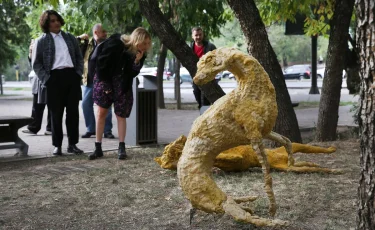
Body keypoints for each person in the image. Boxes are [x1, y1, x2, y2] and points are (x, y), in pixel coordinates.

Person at [88, 27, 151, 160]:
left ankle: (121, 147)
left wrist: (137, 61)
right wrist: (105, 85)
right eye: (144, 43)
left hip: (122, 85)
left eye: (148, 44)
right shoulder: (117, 43)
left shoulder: (140, 53)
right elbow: (101, 64)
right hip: (105, 80)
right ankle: (98, 147)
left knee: (121, 115)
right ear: (136, 40)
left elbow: (132, 73)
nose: (146, 47)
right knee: (101, 113)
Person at [33, 10, 84, 156]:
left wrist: (78, 74)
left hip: (71, 77)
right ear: (46, 24)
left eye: (57, 20)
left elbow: (79, 58)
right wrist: (47, 80)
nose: (56, 23)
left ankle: (73, 144)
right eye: (52, 21)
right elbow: (36, 64)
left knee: (73, 113)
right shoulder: (42, 41)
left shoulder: (70, 38)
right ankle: (57, 145)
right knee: (56, 114)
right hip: (53, 79)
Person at [77, 24, 115, 139]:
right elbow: (73, 46)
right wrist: (79, 38)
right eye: (103, 32)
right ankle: (91, 129)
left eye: (105, 31)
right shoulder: (86, 45)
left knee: (106, 106)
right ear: (96, 33)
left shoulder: (109, 45)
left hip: (104, 80)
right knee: (85, 104)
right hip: (89, 80)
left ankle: (107, 130)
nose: (105, 34)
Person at [22, 38, 52, 135]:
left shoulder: (45, 53)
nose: (32, 46)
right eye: (31, 45)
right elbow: (32, 65)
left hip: (47, 80)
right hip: (37, 82)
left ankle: (50, 128)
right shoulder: (32, 55)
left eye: (33, 44)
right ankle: (33, 128)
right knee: (36, 106)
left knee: (51, 106)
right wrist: (30, 53)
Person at [189, 27, 216, 109]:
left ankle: (204, 114)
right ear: (192, 36)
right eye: (196, 35)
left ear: (203, 35)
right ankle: (202, 113)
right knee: (197, 94)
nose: (198, 37)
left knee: (206, 99)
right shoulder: (189, 48)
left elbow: (216, 59)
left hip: (207, 77)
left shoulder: (210, 46)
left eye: (200, 35)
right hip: (196, 77)